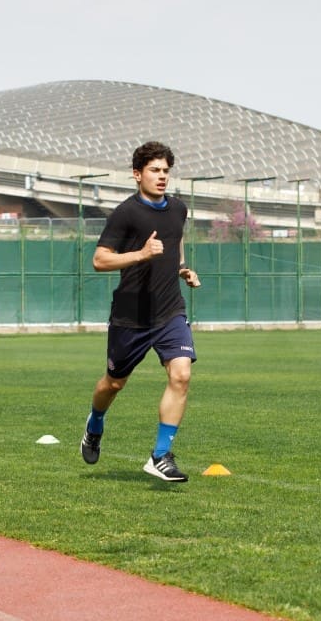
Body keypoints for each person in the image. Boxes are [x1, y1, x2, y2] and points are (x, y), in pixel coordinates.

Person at [80, 141, 201, 482]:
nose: (162, 177)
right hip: (131, 315)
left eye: (166, 171)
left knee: (181, 374)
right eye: (154, 170)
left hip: (169, 310)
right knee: (113, 384)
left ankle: (161, 455)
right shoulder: (125, 213)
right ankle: (95, 423)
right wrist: (141, 255)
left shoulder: (178, 208)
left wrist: (182, 268)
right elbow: (100, 259)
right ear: (137, 174)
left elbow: (175, 240)